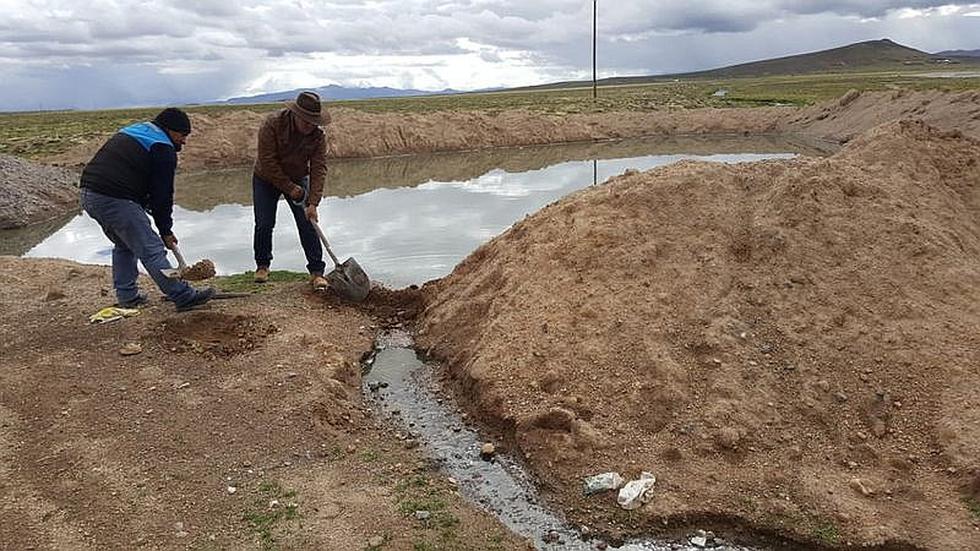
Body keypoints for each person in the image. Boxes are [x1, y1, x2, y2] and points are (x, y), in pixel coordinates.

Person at [79, 108, 214, 311]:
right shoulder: (163, 148)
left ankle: (128, 296)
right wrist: (165, 231)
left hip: (90, 194)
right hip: (114, 197)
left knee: (125, 244)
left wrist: (146, 205)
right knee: (152, 248)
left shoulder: (138, 130)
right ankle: (183, 296)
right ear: (170, 130)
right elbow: (162, 194)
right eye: (182, 135)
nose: (184, 141)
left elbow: (136, 177)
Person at [252, 90, 329, 289]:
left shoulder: (318, 136)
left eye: (314, 122)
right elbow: (267, 162)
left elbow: (319, 168)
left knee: (308, 222)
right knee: (264, 223)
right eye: (306, 121)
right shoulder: (272, 124)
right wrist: (289, 187)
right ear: (296, 115)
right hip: (266, 178)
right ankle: (262, 265)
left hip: (297, 177)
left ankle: (317, 271)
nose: (310, 125)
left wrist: (313, 203)